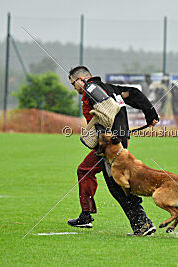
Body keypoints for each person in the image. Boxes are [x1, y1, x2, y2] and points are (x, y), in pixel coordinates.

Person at [67, 66, 159, 236]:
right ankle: (86, 215)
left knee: (116, 185)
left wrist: (103, 136)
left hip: (109, 144)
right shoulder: (112, 89)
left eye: (73, 84)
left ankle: (142, 223)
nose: (74, 88)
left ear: (81, 79)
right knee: (86, 170)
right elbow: (134, 93)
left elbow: (108, 111)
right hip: (116, 140)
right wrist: (150, 113)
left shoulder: (91, 88)